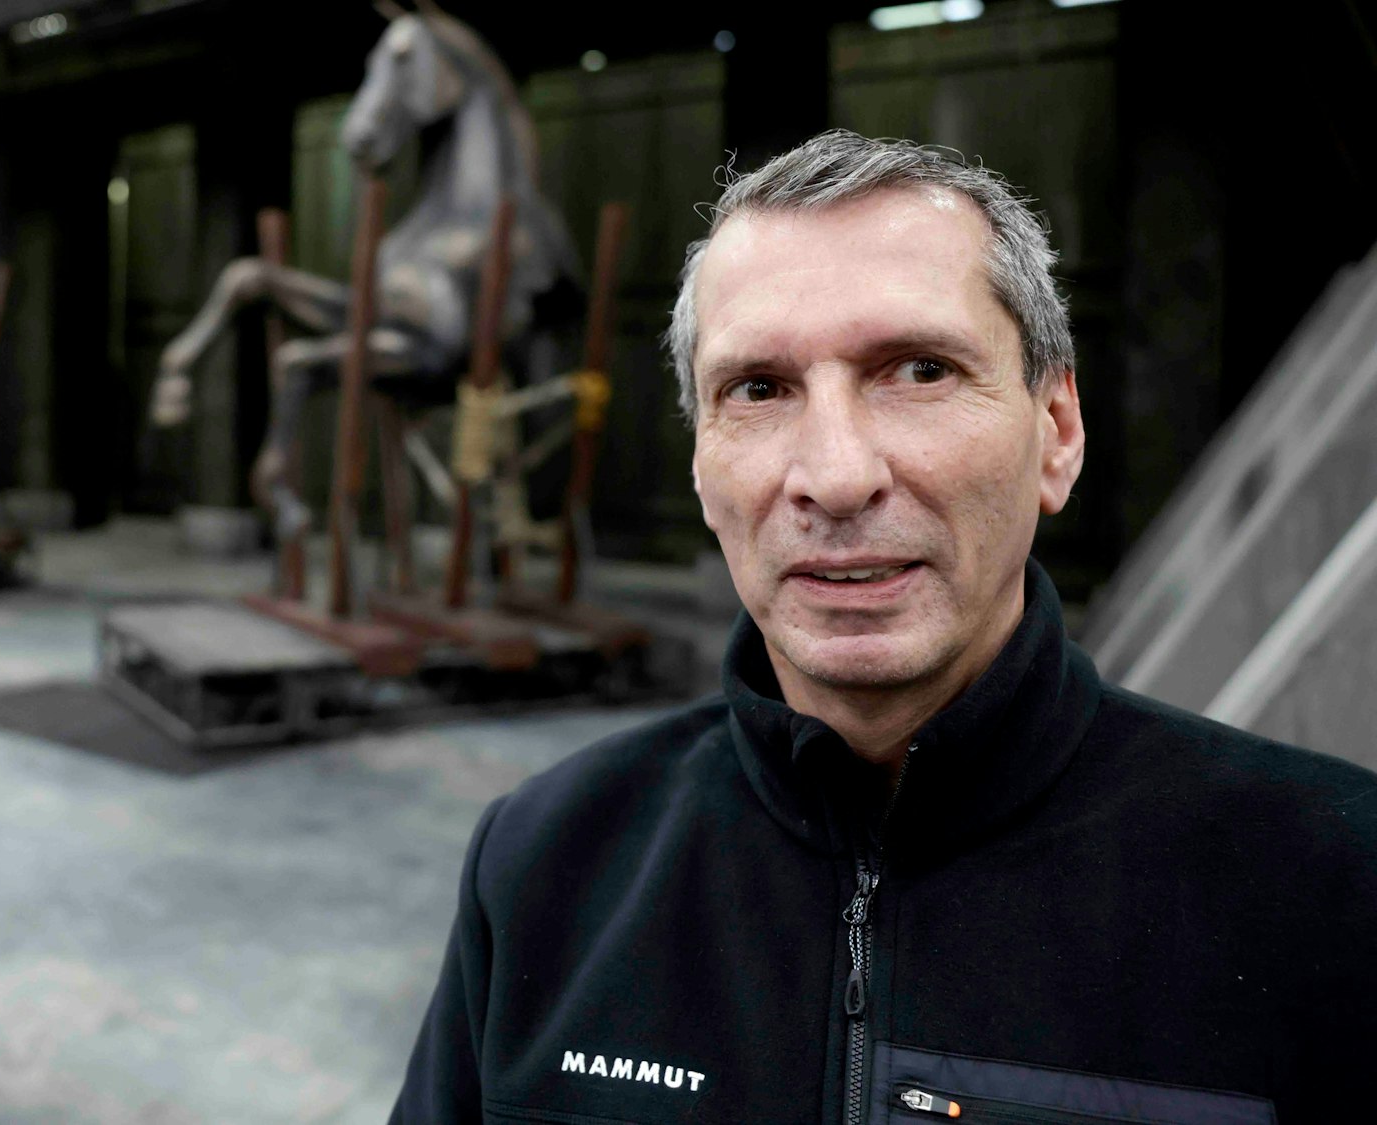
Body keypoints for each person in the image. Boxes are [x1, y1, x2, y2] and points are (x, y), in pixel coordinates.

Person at [389, 129, 1377, 1125]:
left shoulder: (1332, 886)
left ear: (1056, 430)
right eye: (759, 390)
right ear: (699, 470)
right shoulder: (543, 862)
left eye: (915, 371)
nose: (833, 475)